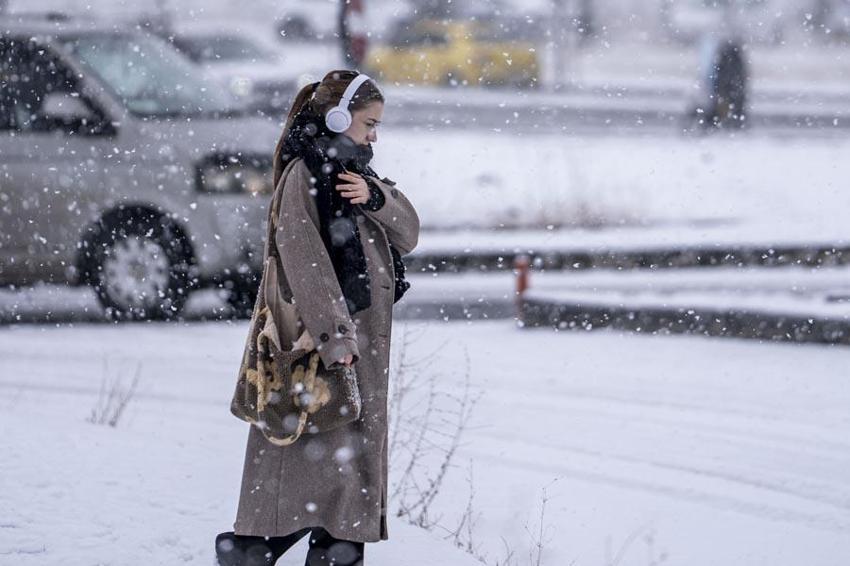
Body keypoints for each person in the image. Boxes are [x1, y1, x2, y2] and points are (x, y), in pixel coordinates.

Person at [215, 70, 420, 566]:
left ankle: (316, 547)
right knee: (312, 448)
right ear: (337, 116)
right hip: (319, 343)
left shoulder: (355, 174)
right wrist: (334, 336)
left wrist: (375, 198)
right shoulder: (303, 177)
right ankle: (260, 548)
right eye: (369, 123)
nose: (374, 135)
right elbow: (304, 262)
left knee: (344, 462)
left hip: (357, 341)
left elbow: (409, 232)